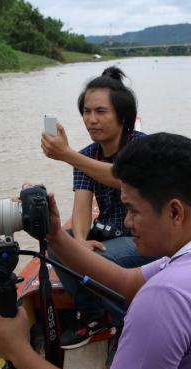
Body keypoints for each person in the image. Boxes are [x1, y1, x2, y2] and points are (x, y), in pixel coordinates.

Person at [0, 133, 191, 369]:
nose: (126, 223)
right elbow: (126, 282)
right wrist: (55, 236)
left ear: (175, 212)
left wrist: (20, 353)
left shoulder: (167, 297)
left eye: (133, 210)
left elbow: (152, 293)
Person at [40, 66, 156, 349]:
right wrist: (79, 243)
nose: (91, 120)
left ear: (122, 115)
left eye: (101, 112)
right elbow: (81, 205)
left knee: (96, 263)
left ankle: (128, 327)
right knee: (55, 243)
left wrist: (68, 156)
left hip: (143, 238)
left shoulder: (144, 147)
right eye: (86, 112)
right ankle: (96, 317)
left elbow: (123, 178)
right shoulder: (86, 155)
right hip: (106, 236)